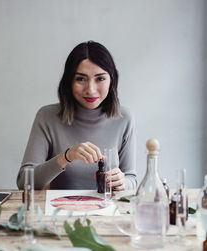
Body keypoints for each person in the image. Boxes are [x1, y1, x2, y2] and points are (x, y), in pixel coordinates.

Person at [16, 41, 137, 190]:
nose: (91, 90)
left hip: (108, 210)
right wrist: (65, 157)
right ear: (69, 81)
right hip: (59, 211)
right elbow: (24, 181)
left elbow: (132, 179)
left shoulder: (124, 118)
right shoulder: (47, 116)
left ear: (112, 80)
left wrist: (123, 182)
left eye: (100, 78)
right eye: (81, 78)